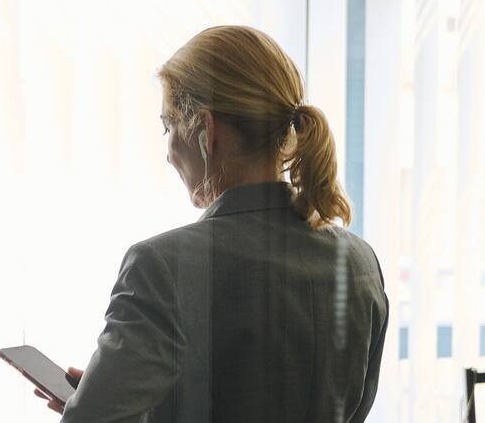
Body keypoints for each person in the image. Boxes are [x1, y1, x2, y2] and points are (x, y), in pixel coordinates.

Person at [35, 25, 389, 423]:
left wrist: (97, 409)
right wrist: (116, 396)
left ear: (206, 130)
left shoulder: (160, 266)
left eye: (169, 127)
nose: (168, 153)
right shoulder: (360, 262)